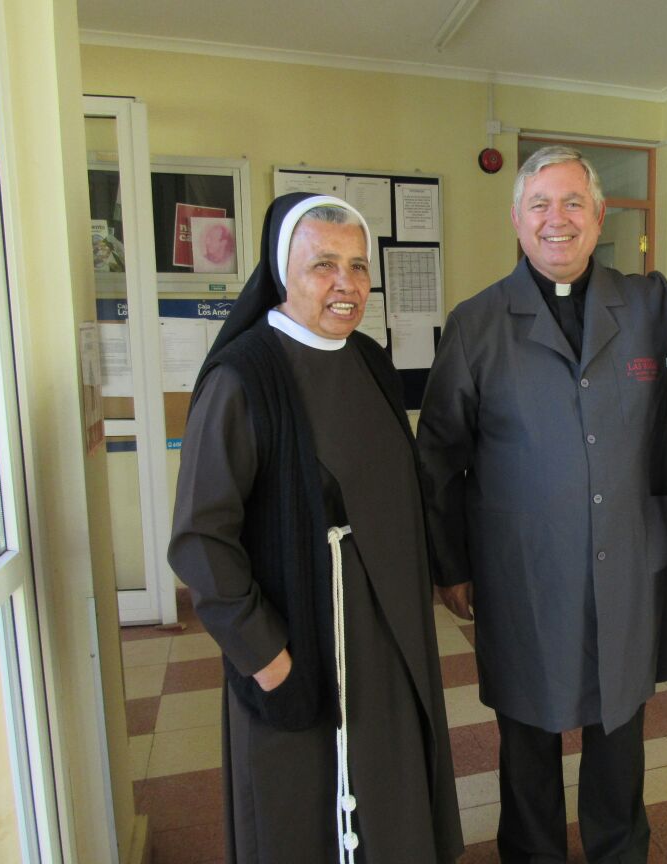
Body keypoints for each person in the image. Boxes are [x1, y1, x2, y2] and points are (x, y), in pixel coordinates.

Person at [168, 192, 464, 864]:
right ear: (282, 273)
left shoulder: (369, 360)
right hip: (300, 639)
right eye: (323, 265)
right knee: (304, 808)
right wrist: (267, 659)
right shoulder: (243, 379)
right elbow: (200, 540)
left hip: (389, 640)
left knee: (391, 795)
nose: (346, 284)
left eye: (358, 267)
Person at [417, 146, 667, 863]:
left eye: (573, 203)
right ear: (516, 219)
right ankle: (532, 853)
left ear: (600, 216)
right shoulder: (476, 323)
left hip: (626, 560)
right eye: (540, 204)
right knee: (527, 732)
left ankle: (618, 850)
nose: (556, 219)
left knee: (620, 728)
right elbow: (438, 455)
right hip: (523, 570)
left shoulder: (655, 308)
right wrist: (451, 565)